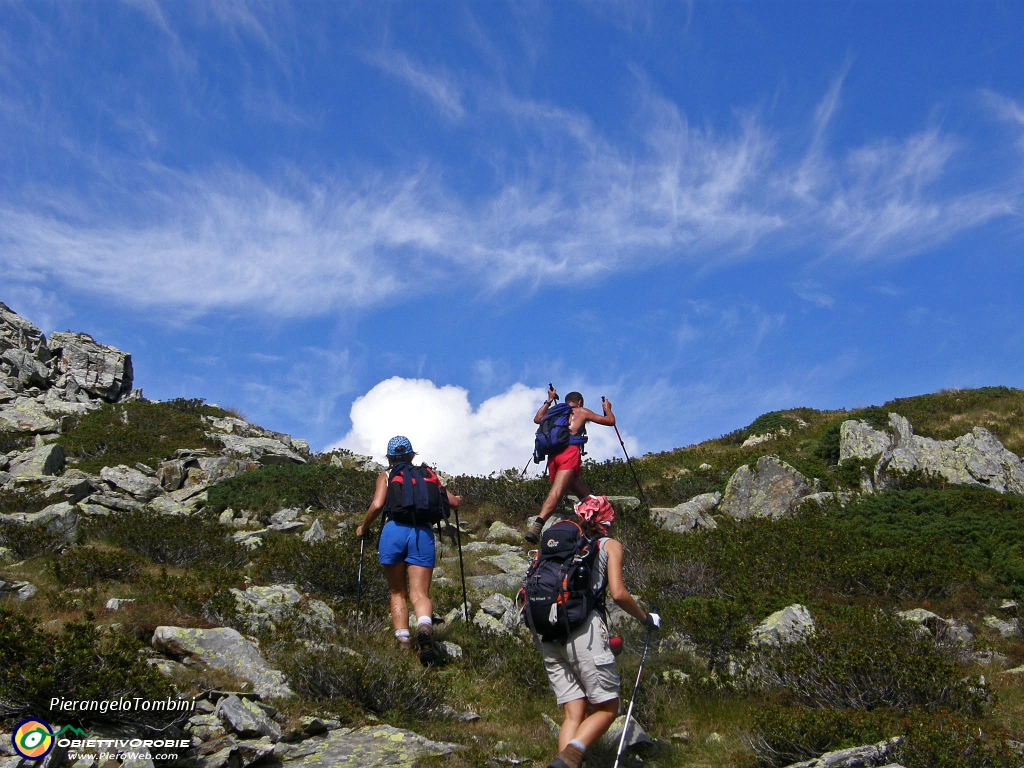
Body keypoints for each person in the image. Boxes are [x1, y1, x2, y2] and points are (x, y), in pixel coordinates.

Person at [539, 495, 660, 768]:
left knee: (574, 714)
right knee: (607, 708)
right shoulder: (610, 545)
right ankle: (571, 756)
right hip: (585, 633)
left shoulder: (561, 545)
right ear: (607, 520)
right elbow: (617, 593)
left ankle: (566, 762)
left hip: (550, 633)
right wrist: (645, 618)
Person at [355, 435, 462, 665]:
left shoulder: (386, 476)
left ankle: (403, 645)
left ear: (389, 457)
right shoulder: (427, 475)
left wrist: (363, 527)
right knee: (419, 594)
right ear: (412, 455)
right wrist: (459, 498)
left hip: (393, 532)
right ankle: (424, 626)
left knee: (397, 592)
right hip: (421, 534)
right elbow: (453, 503)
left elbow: (376, 505)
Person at [525, 386, 616, 543]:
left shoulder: (555, 412)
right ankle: (537, 526)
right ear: (579, 402)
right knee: (557, 492)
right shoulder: (582, 411)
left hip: (553, 456)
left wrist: (550, 400)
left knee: (585, 496)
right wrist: (607, 409)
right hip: (569, 453)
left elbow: (537, 419)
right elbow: (610, 421)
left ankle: (596, 527)